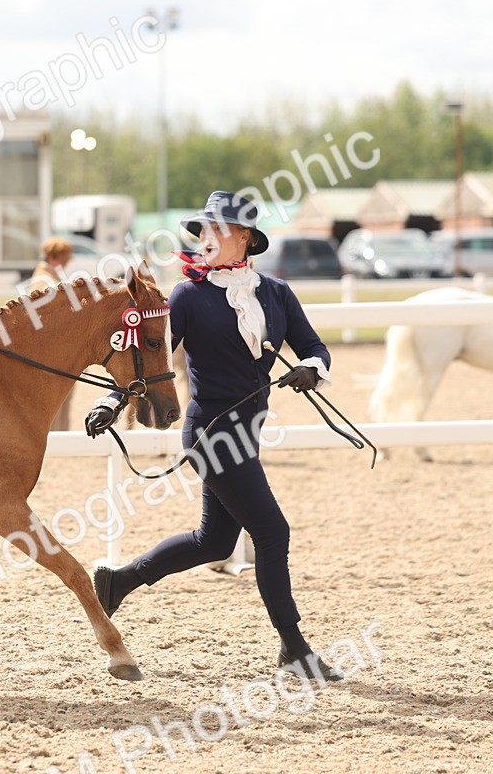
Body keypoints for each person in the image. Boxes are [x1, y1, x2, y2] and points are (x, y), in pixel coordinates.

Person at [86, 190, 343, 682]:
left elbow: (313, 347)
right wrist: (112, 400)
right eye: (202, 230)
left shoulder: (275, 294)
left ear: (244, 238)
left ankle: (120, 581)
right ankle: (294, 647)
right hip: (209, 433)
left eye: (217, 230)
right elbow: (152, 360)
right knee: (272, 532)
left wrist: (310, 369)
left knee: (214, 541)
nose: (206, 238)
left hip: (248, 430)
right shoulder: (188, 296)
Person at [29, 236, 76, 431]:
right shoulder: (44, 280)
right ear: (56, 257)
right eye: (64, 259)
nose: (66, 264)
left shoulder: (47, 277)